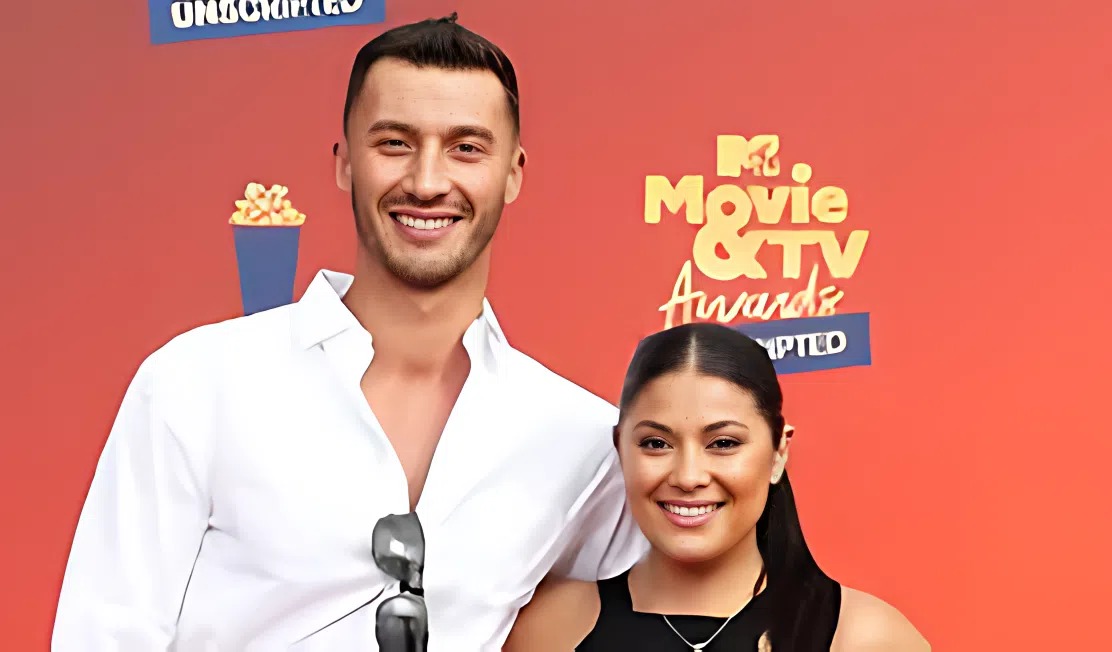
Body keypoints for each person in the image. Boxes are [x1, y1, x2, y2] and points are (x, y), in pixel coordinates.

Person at [50, 13, 647, 652]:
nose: (426, 181)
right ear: (344, 163)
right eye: (394, 143)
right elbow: (104, 635)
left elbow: (675, 606)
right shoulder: (195, 384)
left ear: (514, 173)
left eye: (466, 148)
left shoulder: (583, 441)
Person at [503, 323, 930, 651]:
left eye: (723, 443)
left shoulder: (864, 637)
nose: (688, 476)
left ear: (778, 453)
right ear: (620, 449)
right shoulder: (552, 628)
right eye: (656, 443)